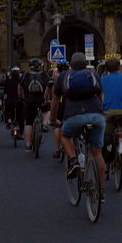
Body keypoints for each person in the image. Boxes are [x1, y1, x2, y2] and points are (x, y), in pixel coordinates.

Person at [50, 52, 105, 187]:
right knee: (97, 153)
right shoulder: (94, 75)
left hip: (73, 115)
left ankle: (74, 160)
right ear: (86, 64)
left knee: (64, 135)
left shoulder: (63, 77)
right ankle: (101, 190)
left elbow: (55, 101)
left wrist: (53, 119)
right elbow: (100, 97)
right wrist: (100, 112)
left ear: (70, 65)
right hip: (96, 116)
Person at [100, 57, 122, 164]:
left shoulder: (102, 80)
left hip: (108, 111)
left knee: (106, 133)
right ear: (119, 67)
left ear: (107, 69)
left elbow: (101, 96)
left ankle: (106, 157)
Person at [19, 58, 51, 152]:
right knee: (46, 110)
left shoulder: (25, 75)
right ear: (40, 66)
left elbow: (19, 87)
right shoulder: (45, 75)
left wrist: (21, 97)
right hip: (42, 99)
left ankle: (28, 144)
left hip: (29, 100)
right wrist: (49, 98)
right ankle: (45, 123)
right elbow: (50, 86)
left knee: (28, 122)